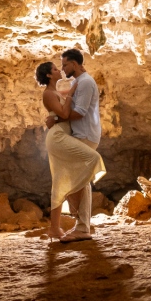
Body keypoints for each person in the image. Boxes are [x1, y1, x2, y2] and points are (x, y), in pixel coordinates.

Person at [35, 50, 105, 243]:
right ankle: (78, 226)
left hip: (84, 135)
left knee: (79, 178)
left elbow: (78, 112)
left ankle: (80, 226)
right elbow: (63, 108)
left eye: (64, 65)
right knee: (75, 179)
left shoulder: (84, 82)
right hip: (73, 135)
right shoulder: (76, 83)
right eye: (59, 67)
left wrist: (55, 118)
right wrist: (56, 117)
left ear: (75, 63)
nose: (63, 70)